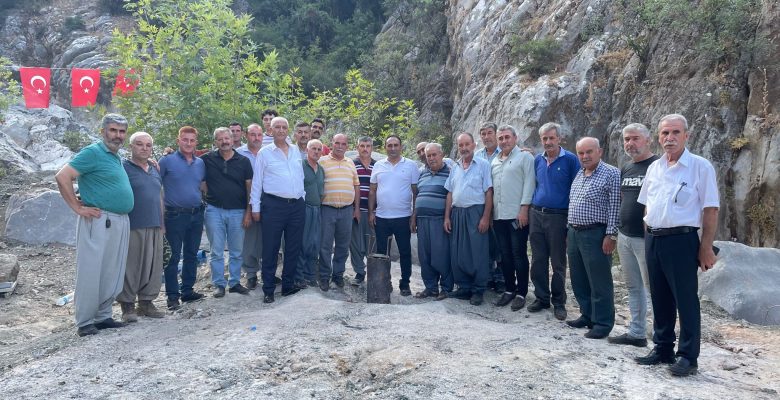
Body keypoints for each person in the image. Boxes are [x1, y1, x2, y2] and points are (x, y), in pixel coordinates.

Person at [635, 114, 719, 377]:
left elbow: (711, 209)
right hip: (654, 239)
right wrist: (649, 231)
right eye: (664, 134)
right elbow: (647, 203)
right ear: (658, 137)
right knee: (659, 296)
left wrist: (705, 247)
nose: (669, 138)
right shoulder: (654, 167)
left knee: (685, 299)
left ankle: (687, 357)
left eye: (674, 133)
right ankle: (662, 348)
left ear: (686, 135)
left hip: (682, 240)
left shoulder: (699, 167)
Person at [55, 113, 134, 336]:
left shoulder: (115, 156)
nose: (118, 135)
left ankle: (103, 316)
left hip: (119, 220)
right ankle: (85, 321)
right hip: (99, 220)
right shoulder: (93, 152)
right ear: (103, 132)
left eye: (121, 131)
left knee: (111, 271)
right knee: (91, 271)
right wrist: (78, 207)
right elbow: (63, 176)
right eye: (113, 130)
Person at [608, 123, 658, 348]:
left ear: (648, 140)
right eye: (627, 139)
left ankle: (661, 334)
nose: (630, 143)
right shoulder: (627, 168)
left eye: (635, 138)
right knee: (633, 287)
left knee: (654, 288)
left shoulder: (658, 165)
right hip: (625, 236)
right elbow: (622, 198)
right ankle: (637, 332)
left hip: (646, 238)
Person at [565, 137, 620, 339]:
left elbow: (615, 206)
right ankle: (587, 315)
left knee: (599, 280)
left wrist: (611, 234)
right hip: (574, 232)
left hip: (595, 233)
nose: (585, 156)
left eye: (589, 152)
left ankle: (603, 323)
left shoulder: (611, 173)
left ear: (600, 151)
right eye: (581, 153)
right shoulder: (580, 173)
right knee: (579, 278)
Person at [251, 116, 306, 303]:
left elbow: (300, 176)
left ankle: (288, 286)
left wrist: (302, 197)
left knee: (293, 247)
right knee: (271, 248)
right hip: (273, 206)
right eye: (277, 127)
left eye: (284, 127)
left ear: (288, 130)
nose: (281, 130)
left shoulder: (296, 151)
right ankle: (268, 289)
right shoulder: (265, 153)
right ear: (271, 130)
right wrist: (255, 208)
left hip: (297, 205)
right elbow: (257, 182)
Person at [528, 122, 580, 320]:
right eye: (544, 138)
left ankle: (559, 302)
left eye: (551, 138)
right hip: (537, 214)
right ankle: (541, 298)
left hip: (559, 216)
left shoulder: (570, 160)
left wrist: (569, 222)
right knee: (538, 259)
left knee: (558, 262)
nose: (548, 142)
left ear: (559, 138)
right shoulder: (537, 160)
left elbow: (576, 191)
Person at [118, 131, 165, 323]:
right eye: (139, 144)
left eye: (148, 145)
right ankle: (127, 305)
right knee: (131, 266)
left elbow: (159, 197)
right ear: (131, 147)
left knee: (153, 266)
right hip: (132, 224)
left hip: (155, 223)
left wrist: (163, 223)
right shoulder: (122, 167)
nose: (144, 148)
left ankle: (146, 303)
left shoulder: (155, 169)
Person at [201, 127, 254, 297]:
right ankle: (219, 284)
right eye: (220, 139)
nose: (224, 142)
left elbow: (249, 188)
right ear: (215, 141)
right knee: (216, 250)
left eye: (227, 138)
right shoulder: (207, 159)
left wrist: (248, 212)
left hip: (238, 211)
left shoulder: (244, 161)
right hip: (214, 210)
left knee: (236, 251)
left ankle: (235, 282)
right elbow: (195, 174)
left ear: (233, 140)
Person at [159, 126, 207, 310]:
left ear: (196, 142)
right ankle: (172, 296)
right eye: (185, 140)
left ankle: (187, 290)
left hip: (196, 214)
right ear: (178, 140)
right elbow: (156, 187)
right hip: (174, 215)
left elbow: (202, 186)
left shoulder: (200, 163)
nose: (188, 143)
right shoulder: (166, 161)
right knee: (173, 256)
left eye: (192, 140)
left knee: (191, 254)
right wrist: (160, 218)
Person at [444, 133, 494, 306]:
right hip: (457, 213)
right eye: (461, 145)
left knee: (477, 252)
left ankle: (478, 290)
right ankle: (464, 288)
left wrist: (485, 217)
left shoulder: (483, 164)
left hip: (476, 212)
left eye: (467, 144)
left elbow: (489, 191)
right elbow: (450, 193)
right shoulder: (455, 166)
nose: (464, 148)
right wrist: (447, 217)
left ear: (473, 145)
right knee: (458, 252)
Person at [490, 125, 535, 310]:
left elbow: (529, 183)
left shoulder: (525, 157)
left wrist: (524, 209)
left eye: (507, 137)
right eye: (500, 138)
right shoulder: (495, 160)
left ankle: (522, 292)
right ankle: (509, 289)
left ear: (515, 138)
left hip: (517, 215)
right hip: (499, 215)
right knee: (504, 255)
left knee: (518, 254)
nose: (504, 141)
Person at [368, 135, 419, 296]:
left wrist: (413, 215)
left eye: (396, 145)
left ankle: (405, 284)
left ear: (401, 147)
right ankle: (384, 282)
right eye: (389, 145)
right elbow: (372, 190)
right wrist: (371, 212)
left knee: (405, 252)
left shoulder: (411, 165)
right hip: (382, 217)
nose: (393, 148)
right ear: (385, 148)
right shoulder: (378, 165)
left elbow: (415, 192)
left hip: (403, 216)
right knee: (382, 253)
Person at [318, 133, 361, 290]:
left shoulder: (350, 163)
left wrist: (356, 209)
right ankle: (324, 276)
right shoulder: (322, 161)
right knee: (325, 245)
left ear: (347, 146)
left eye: (343, 144)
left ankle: (338, 275)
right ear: (332, 144)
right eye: (337, 143)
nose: (340, 146)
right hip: (327, 209)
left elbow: (356, 186)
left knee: (343, 245)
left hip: (346, 210)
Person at [412, 142, 453, 300]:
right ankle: (430, 287)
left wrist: (447, 218)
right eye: (428, 156)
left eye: (434, 154)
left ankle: (446, 288)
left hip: (439, 220)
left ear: (442, 155)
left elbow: (451, 195)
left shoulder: (450, 171)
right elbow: (417, 196)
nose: (431, 158)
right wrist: (414, 217)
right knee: (425, 256)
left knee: (441, 255)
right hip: (422, 220)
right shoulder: (422, 172)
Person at [475, 122, 504, 293]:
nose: (486, 137)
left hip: (500, 206)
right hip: (482, 207)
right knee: (484, 243)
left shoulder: (506, 153)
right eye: (483, 134)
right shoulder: (477, 156)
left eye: (490, 133)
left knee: (500, 244)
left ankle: (501, 279)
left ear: (496, 134)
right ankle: (487, 276)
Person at [236, 123, 264, 290]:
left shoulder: (268, 152)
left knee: (268, 239)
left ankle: (269, 272)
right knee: (250, 240)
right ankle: (251, 274)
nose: (256, 138)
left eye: (259, 135)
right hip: (246, 203)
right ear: (246, 135)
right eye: (253, 134)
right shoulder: (238, 154)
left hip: (268, 203)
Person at [296, 139, 325, 288]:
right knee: (303, 243)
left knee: (314, 243)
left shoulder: (321, 169)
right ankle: (299, 276)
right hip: (303, 208)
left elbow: (321, 192)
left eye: (319, 149)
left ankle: (310, 274)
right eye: (313, 148)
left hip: (317, 209)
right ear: (307, 150)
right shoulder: (300, 165)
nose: (316, 151)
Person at [349, 136, 376, 285]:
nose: (365, 149)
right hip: (355, 211)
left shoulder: (378, 166)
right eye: (362, 146)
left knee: (372, 242)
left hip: (373, 211)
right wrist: (355, 208)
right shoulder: (351, 164)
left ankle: (374, 274)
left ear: (372, 148)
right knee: (355, 243)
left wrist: (375, 211)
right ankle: (359, 273)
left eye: (368, 146)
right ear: (357, 147)